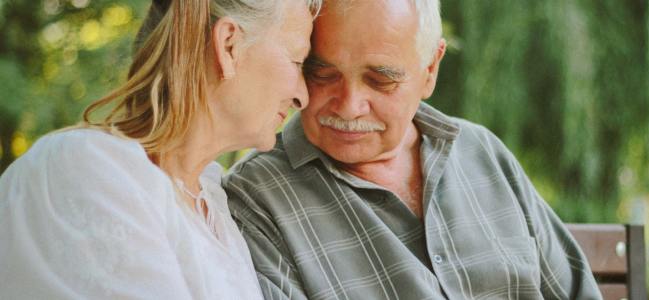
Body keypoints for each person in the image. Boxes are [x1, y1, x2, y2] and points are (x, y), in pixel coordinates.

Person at [224, 0, 602, 299]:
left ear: (430, 70)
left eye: (380, 80)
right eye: (323, 74)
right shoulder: (258, 197)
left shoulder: (481, 151)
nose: (349, 105)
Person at [0, 0, 321, 298]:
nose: (301, 96)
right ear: (228, 46)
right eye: (296, 61)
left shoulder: (214, 204)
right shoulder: (90, 169)